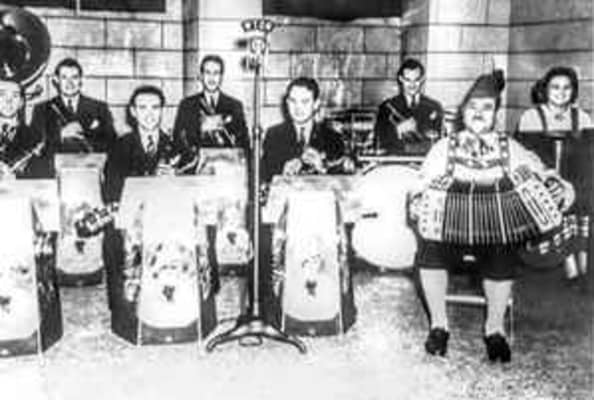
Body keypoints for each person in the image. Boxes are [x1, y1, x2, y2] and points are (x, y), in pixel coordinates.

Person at [409, 70, 574, 363]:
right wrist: (417, 202)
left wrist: (556, 187)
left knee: (503, 251)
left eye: (486, 108)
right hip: (448, 231)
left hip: (496, 234)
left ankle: (494, 329)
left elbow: (544, 173)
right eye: (472, 107)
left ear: (495, 114)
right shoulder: (444, 148)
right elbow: (420, 184)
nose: (478, 113)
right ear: (463, 112)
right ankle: (439, 325)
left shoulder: (509, 148)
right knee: (429, 249)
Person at [517, 66, 593, 284]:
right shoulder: (531, 117)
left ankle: (584, 265)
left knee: (584, 198)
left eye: (567, 88)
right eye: (555, 87)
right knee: (556, 198)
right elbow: (524, 160)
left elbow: (589, 159)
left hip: (574, 179)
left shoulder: (582, 118)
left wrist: (575, 186)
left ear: (574, 91)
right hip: (542, 181)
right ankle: (568, 264)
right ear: (545, 90)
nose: (561, 92)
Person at [30, 58, 116, 174]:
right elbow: (34, 145)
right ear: (56, 80)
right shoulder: (42, 109)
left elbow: (112, 143)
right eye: (64, 77)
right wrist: (61, 134)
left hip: (91, 173)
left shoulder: (99, 108)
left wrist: (86, 134)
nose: (69, 83)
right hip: (54, 174)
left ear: (81, 80)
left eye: (74, 77)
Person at [261, 76, 352, 184]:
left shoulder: (332, 137)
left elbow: (344, 182)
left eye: (305, 102)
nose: (298, 108)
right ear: (287, 102)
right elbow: (263, 176)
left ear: (316, 104)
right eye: (293, 101)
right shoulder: (274, 135)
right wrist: (282, 172)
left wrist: (322, 168)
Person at [102, 85, 180, 204]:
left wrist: (175, 179)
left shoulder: (176, 145)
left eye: (155, 107)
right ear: (133, 111)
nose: (149, 114)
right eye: (143, 108)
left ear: (162, 111)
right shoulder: (119, 147)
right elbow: (111, 192)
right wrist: (152, 181)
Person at [172, 54, 249, 155]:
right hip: (196, 163)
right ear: (201, 76)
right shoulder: (187, 105)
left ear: (221, 77)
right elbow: (178, 141)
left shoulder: (235, 106)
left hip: (226, 163)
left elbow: (244, 143)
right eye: (207, 72)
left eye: (216, 73)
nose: (211, 78)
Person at [373, 58, 443, 155]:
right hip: (396, 161)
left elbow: (440, 141)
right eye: (408, 80)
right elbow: (378, 141)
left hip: (426, 162)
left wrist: (419, 129)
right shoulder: (386, 108)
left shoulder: (434, 107)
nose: (412, 85)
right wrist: (397, 130)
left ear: (423, 79)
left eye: (416, 80)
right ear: (400, 79)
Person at [0, 77, 44, 179]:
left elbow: (39, 174)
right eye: (2, 94)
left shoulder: (35, 137)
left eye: (15, 95)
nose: (8, 101)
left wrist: (16, 176)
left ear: (21, 102)